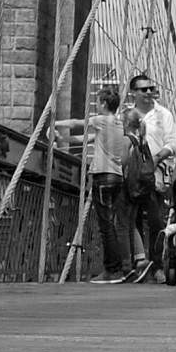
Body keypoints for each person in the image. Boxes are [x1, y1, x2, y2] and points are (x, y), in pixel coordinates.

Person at [64, 82, 131, 282]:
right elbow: (88, 139)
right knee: (111, 224)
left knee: (106, 226)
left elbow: (76, 123)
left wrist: (53, 124)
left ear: (103, 103)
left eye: (98, 102)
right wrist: (62, 140)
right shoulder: (118, 124)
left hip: (103, 176)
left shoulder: (103, 120)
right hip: (117, 177)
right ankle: (118, 267)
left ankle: (113, 270)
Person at [124, 72, 176, 280]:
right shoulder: (127, 116)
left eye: (151, 88)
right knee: (132, 220)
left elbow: (173, 143)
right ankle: (136, 264)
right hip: (132, 176)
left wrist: (155, 159)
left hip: (154, 174)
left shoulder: (163, 114)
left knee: (156, 220)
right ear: (133, 93)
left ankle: (157, 266)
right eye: (143, 89)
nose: (149, 92)